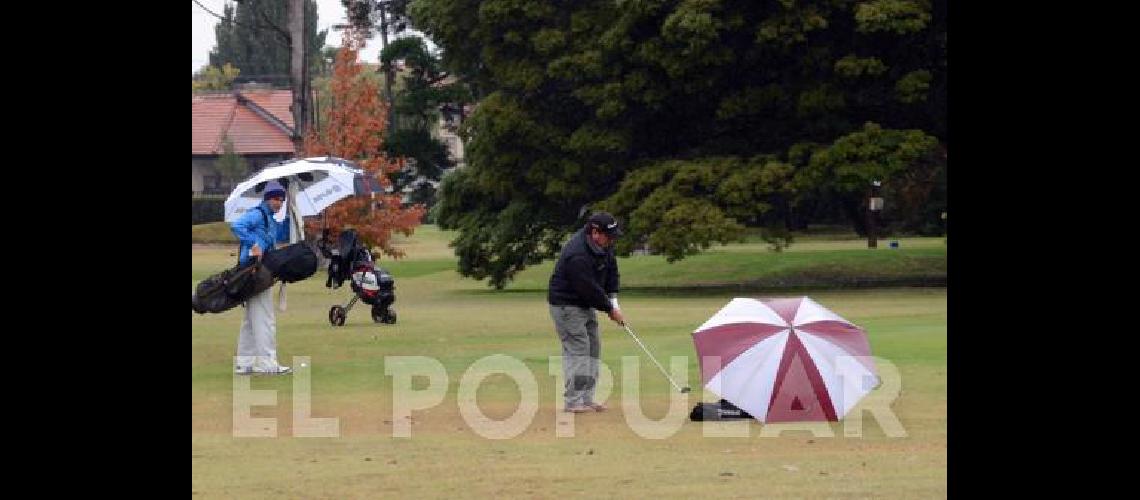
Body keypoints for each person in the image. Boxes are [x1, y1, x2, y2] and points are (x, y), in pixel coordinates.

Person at [547, 211, 625, 413]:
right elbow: (588, 288)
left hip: (584, 304)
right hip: (566, 305)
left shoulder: (603, 246)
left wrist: (614, 300)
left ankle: (587, 398)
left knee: (593, 348)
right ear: (595, 232)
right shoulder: (577, 254)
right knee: (579, 349)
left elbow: (611, 272)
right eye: (609, 236)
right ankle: (573, 401)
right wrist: (609, 308)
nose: (612, 240)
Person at [230, 180, 292, 375]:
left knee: (250, 319)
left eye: (282, 199)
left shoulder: (270, 219)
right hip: (254, 272)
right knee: (265, 318)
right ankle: (267, 364)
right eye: (275, 198)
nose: (279, 202)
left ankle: (244, 362)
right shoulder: (258, 214)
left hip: (255, 272)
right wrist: (254, 243)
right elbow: (237, 226)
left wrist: (293, 211)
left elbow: (280, 234)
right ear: (267, 198)